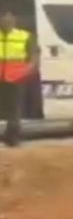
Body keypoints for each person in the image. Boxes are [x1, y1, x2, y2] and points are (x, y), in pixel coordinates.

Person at [0, 10, 35, 148]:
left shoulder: (24, 36)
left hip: (16, 78)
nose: (6, 21)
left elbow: (33, 56)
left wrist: (28, 69)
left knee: (14, 111)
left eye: (9, 18)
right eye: (3, 19)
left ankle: (12, 138)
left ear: (14, 20)